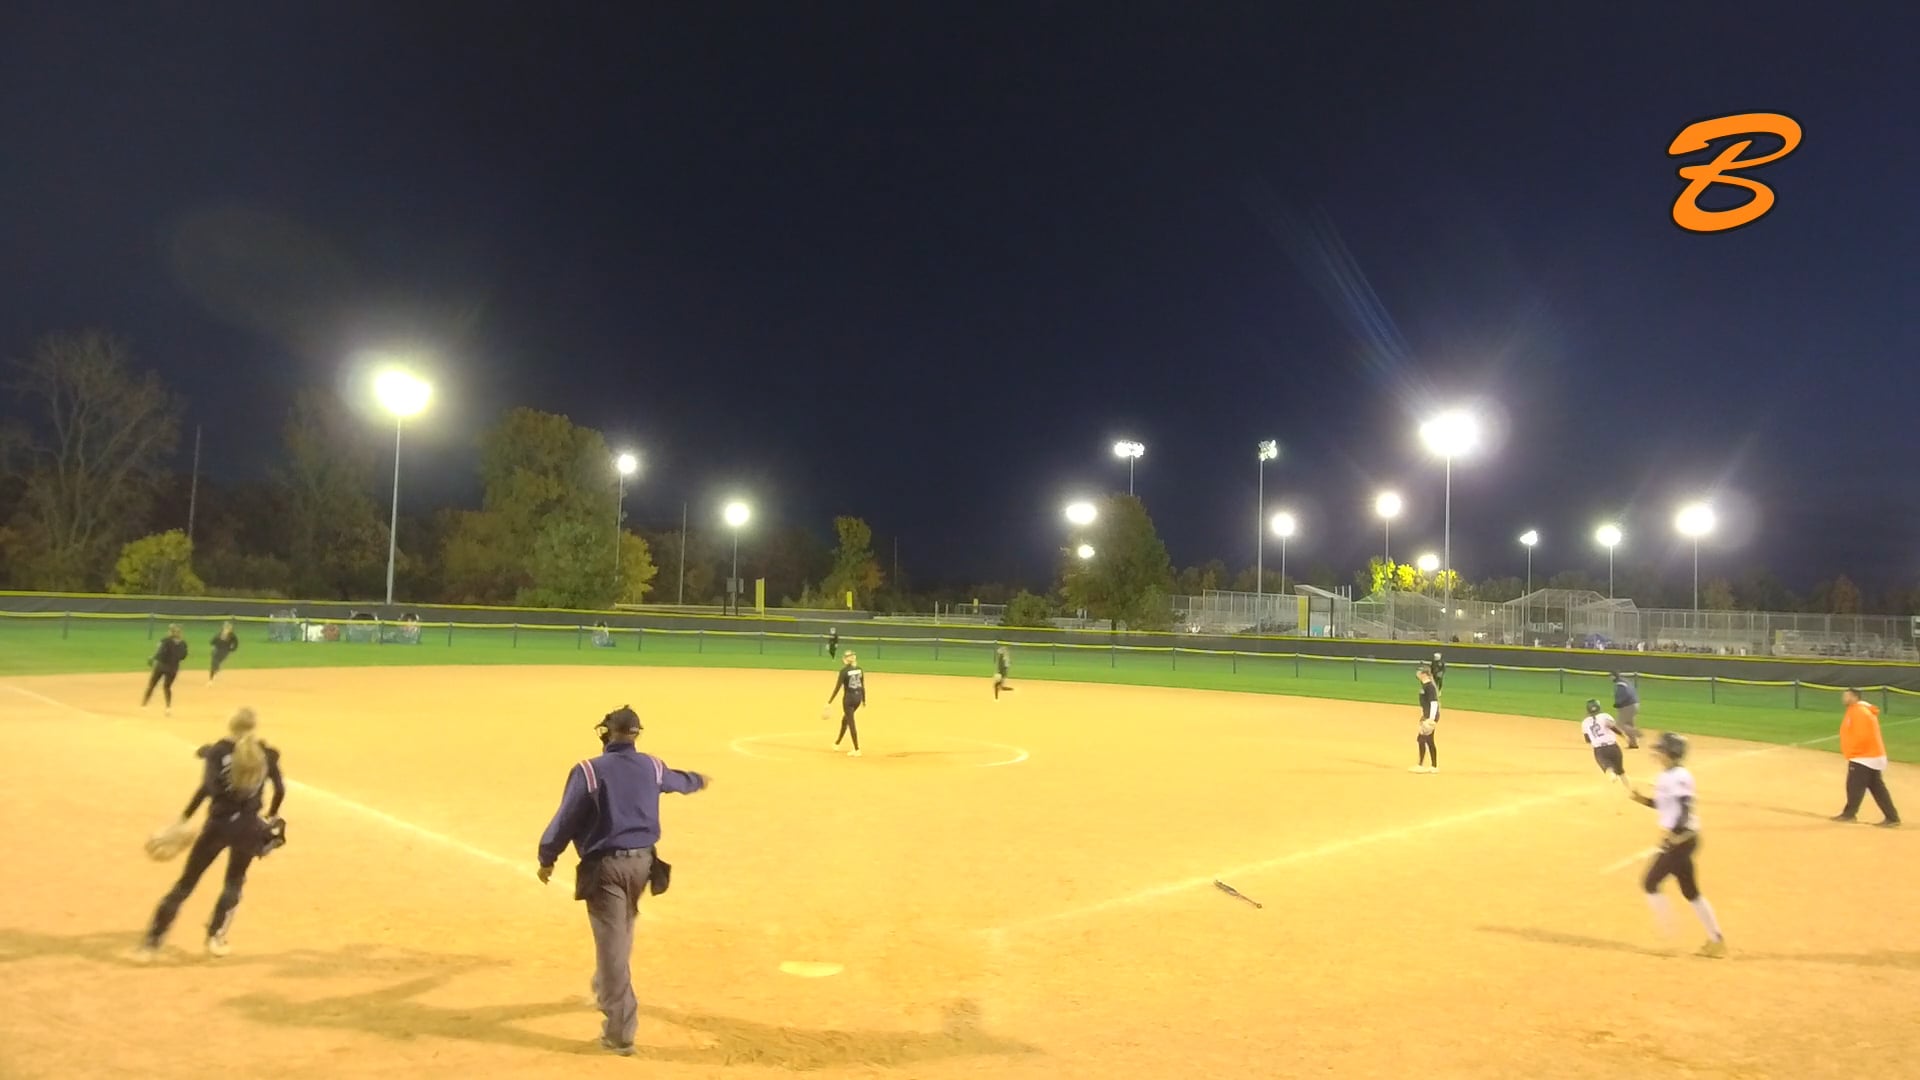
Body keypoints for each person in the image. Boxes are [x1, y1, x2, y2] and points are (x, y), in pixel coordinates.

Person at [537, 705, 711, 1056]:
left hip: (605, 869)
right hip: (643, 866)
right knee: (623, 930)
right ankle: (604, 987)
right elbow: (679, 781)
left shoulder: (589, 770)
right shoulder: (652, 766)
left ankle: (619, 1032)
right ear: (635, 734)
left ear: (607, 733)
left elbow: (566, 819)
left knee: (612, 946)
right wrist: (698, 779)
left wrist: (547, 857)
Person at [135, 707, 286, 962]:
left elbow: (206, 789)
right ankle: (216, 938)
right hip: (248, 827)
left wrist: (183, 819)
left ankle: (152, 943)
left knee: (186, 883)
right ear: (254, 727)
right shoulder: (266, 753)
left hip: (217, 826)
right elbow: (280, 790)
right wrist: (270, 815)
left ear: (231, 725)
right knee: (234, 881)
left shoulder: (217, 752)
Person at [1627, 732, 1727, 957]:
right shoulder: (1666, 775)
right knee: (1690, 891)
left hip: (1683, 839)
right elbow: (1665, 805)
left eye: (1661, 749)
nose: (1657, 752)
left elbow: (1684, 807)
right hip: (1682, 839)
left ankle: (1668, 934)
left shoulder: (1680, 776)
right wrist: (1643, 800)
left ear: (1671, 753)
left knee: (1650, 883)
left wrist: (1675, 834)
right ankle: (1716, 941)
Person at [1832, 688, 1900, 827]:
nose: (1843, 698)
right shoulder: (1857, 710)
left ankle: (1849, 814)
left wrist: (1853, 751)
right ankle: (1892, 818)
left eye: (1846, 696)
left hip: (1863, 756)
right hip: (1869, 756)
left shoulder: (1860, 712)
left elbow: (1862, 735)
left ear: (1855, 697)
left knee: (1854, 786)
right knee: (1877, 788)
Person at [1581, 699, 1630, 790]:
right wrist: (1624, 736)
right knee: (1620, 770)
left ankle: (1612, 775)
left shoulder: (1585, 722)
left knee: (1607, 767)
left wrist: (1595, 738)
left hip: (1599, 750)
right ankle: (1629, 789)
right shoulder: (1605, 716)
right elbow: (1612, 727)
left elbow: (1587, 740)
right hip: (1613, 747)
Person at [143, 624, 190, 715]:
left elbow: (160, 652)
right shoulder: (183, 643)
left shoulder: (165, 640)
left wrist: (152, 658)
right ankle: (168, 707)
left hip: (161, 666)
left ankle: (144, 705)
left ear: (171, 632)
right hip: (173, 668)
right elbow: (183, 656)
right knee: (167, 687)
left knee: (152, 685)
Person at [828, 650, 867, 757]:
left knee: (851, 722)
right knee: (845, 720)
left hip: (849, 699)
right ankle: (837, 743)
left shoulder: (844, 671)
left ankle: (857, 749)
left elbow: (837, 687)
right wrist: (864, 699)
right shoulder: (859, 670)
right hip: (858, 698)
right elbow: (862, 685)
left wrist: (829, 701)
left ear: (846, 659)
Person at [1411, 668, 1440, 773]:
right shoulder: (1425, 685)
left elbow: (1434, 703)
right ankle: (1433, 766)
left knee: (1421, 739)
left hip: (1430, 717)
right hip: (1427, 715)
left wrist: (1431, 719)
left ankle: (1421, 765)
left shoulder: (1429, 687)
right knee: (1429, 740)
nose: (1417, 673)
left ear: (1424, 674)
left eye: (1419, 672)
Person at [1610, 672, 1643, 749]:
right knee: (1629, 724)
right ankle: (1633, 744)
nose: (1610, 678)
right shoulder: (1626, 681)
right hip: (1635, 704)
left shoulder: (1621, 684)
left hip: (1628, 706)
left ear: (1614, 676)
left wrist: (1618, 703)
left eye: (1611, 676)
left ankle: (1636, 733)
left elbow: (1626, 694)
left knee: (1619, 724)